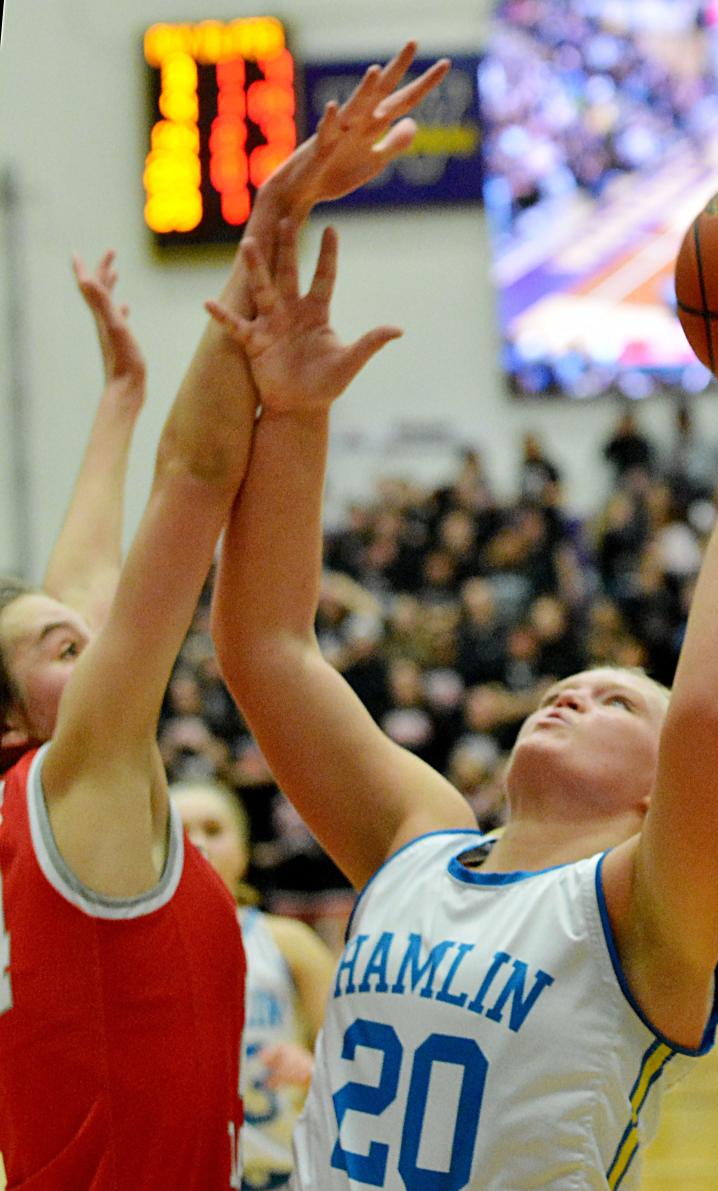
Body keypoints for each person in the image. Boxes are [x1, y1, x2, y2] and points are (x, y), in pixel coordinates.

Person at [207, 179, 718, 1189]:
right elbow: (266, 648)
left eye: (618, 699)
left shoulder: (642, 910)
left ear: (657, 793)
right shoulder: (416, 841)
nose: (571, 694)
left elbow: (717, 715)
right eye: (571, 687)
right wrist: (297, 412)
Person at [0, 43, 450, 1189]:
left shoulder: (41, 806)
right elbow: (194, 482)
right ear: (14, 718)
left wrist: (118, 401)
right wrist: (273, 219)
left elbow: (82, 588)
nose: (97, 642)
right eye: (65, 650)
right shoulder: (70, 784)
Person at [172, 781, 336, 1190]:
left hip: (280, 1176)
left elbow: (357, 1064)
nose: (198, 843)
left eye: (213, 829)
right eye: (180, 830)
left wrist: (315, 1070)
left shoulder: (289, 943)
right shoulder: (129, 954)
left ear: (244, 851)